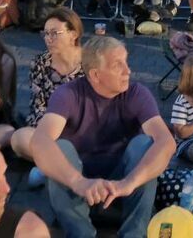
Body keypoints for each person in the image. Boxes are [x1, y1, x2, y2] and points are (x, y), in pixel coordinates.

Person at [30, 36, 175, 238]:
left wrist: (130, 182)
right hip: (78, 194)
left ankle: (134, 234)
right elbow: (39, 140)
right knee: (60, 147)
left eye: (126, 62)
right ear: (95, 75)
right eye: (118, 65)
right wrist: (78, 182)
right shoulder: (68, 94)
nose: (128, 71)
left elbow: (166, 142)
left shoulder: (136, 94)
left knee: (145, 144)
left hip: (122, 193)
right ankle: (81, 234)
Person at [9, 7, 84, 167]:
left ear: (74, 34)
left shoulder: (91, 63)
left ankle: (51, 166)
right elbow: (38, 106)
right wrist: (50, 131)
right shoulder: (40, 63)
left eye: (55, 33)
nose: (48, 39)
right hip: (50, 130)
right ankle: (63, 165)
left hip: (83, 131)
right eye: (45, 33)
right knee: (19, 138)